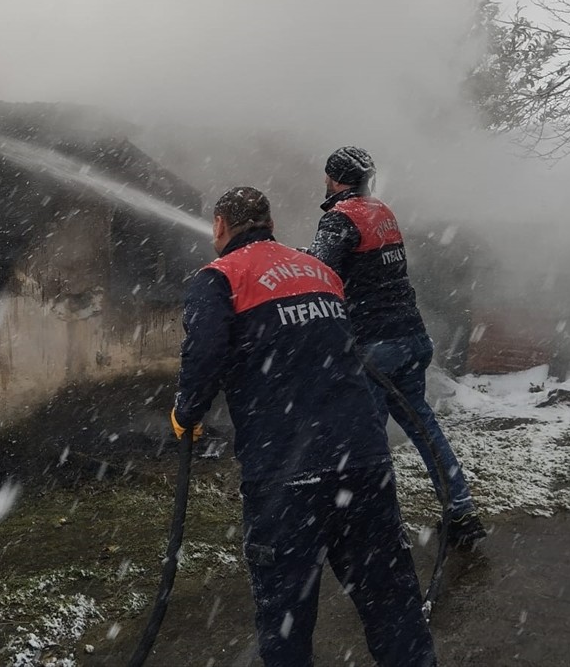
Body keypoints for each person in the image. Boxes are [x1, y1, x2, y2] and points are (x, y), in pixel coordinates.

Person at [172, 188, 436, 667]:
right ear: (270, 222)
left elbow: (203, 357)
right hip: (362, 460)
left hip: (285, 473)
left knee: (286, 615)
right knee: (391, 602)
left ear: (218, 226)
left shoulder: (218, 278)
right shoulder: (321, 273)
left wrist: (185, 412)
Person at [307, 147, 486, 548]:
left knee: (363, 441)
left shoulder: (338, 219)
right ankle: (461, 512)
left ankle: (375, 529)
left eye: (327, 176)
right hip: (411, 338)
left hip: (375, 346)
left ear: (336, 179)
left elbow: (319, 274)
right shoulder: (382, 212)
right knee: (423, 427)